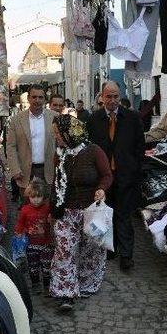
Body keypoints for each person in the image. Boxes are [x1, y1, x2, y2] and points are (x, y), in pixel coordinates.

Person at [50, 114, 112, 311]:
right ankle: (65, 293)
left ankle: (84, 284)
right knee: (64, 251)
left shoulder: (94, 151)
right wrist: (53, 208)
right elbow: (56, 183)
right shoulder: (59, 153)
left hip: (89, 211)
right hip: (66, 211)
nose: (56, 137)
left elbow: (107, 175)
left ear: (70, 133)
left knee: (90, 251)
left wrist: (101, 188)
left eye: (58, 133)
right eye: (55, 133)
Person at [87, 81, 144, 271]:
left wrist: (134, 170)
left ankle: (126, 256)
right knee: (106, 214)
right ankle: (110, 249)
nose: (112, 100)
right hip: (103, 178)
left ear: (120, 97)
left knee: (124, 216)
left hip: (126, 176)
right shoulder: (93, 120)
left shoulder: (133, 118)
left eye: (115, 96)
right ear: (102, 97)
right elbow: (89, 149)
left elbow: (139, 148)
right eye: (108, 96)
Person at [6, 84, 58, 196]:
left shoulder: (55, 117)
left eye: (40, 97)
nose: (37, 100)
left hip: (48, 170)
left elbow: (62, 144)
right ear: (28, 98)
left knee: (48, 207)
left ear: (45, 99)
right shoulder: (17, 120)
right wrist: (15, 169)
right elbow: (11, 146)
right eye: (34, 97)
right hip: (25, 172)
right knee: (27, 208)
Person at [14, 178, 53, 292]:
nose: (35, 200)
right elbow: (20, 223)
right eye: (33, 197)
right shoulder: (25, 210)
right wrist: (18, 234)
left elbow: (53, 224)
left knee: (47, 266)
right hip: (30, 244)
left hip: (46, 244)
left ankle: (47, 286)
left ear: (44, 196)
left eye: (38, 197)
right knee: (33, 265)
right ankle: (35, 284)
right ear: (28, 197)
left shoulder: (48, 209)